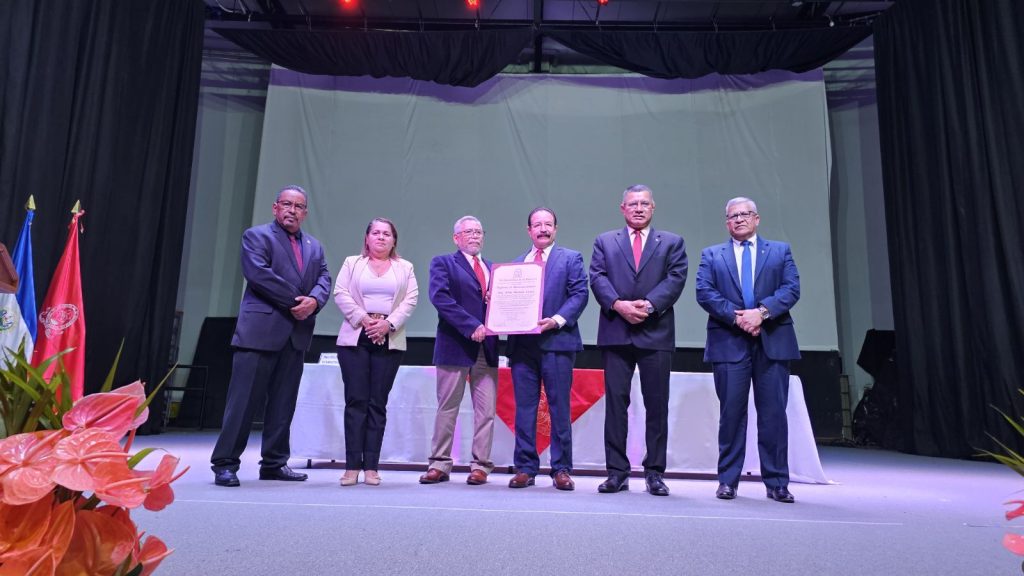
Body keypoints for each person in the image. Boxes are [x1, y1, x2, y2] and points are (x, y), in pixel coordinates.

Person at [211, 185, 332, 487]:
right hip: (259, 333)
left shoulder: (314, 246)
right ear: (275, 207)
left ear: (305, 213)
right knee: (242, 404)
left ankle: (274, 463)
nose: (292, 210)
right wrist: (298, 303)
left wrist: (315, 301)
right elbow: (259, 275)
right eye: (287, 204)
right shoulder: (256, 236)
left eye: (299, 206)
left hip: (295, 336)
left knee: (283, 404)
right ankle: (225, 463)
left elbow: (324, 278)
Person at [695, 197, 801, 503]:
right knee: (731, 415)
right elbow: (704, 292)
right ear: (726, 222)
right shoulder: (712, 255)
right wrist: (739, 318)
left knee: (773, 415)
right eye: (733, 216)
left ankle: (777, 482)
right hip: (729, 342)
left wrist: (762, 314)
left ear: (757, 218)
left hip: (773, 342)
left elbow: (791, 288)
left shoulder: (780, 251)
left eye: (745, 214)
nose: (739, 219)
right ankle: (728, 481)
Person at [589, 184, 687, 496]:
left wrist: (649, 305)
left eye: (644, 203)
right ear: (623, 208)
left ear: (653, 207)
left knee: (656, 405)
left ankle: (655, 473)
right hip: (616, 332)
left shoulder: (671, 242)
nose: (639, 208)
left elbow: (676, 278)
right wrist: (618, 305)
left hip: (655, 331)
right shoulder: (605, 241)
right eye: (633, 204)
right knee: (616, 405)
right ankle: (617, 473)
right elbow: (597, 277)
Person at [506, 208, 589, 491]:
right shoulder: (515, 265)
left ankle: (561, 469)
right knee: (524, 409)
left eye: (548, 224)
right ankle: (525, 468)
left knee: (559, 408)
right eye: (537, 225)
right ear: (528, 230)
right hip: (522, 346)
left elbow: (579, 294)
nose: (543, 229)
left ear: (556, 229)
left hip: (558, 342)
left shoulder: (571, 258)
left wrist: (555, 320)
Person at [334, 218, 419, 486]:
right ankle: (351, 467)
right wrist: (364, 319)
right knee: (356, 401)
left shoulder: (405, 267)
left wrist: (387, 324)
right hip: (356, 336)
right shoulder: (352, 263)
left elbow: (411, 300)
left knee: (377, 403)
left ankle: (371, 466)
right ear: (367, 238)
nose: (381, 237)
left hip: (389, 337)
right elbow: (340, 293)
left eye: (387, 234)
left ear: (394, 240)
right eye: (376, 233)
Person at [420, 216, 500, 486]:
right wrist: (470, 325)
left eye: (479, 231)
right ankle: (439, 464)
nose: (475, 236)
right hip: (455, 344)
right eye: (468, 232)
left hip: (487, 348)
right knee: (447, 408)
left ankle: (480, 466)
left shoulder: (494, 269)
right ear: (456, 238)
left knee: (486, 412)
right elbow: (440, 298)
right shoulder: (443, 263)